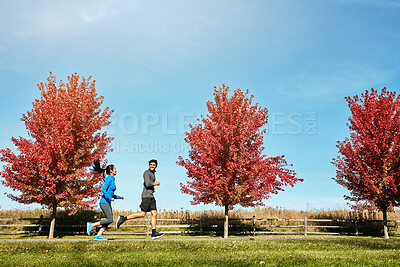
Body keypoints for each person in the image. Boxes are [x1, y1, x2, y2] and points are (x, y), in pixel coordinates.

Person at [116, 159, 164, 239]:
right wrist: (155, 184)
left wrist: (153, 188)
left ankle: (154, 233)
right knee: (142, 214)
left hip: (151, 196)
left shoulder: (153, 174)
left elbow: (149, 185)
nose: (152, 166)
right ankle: (123, 218)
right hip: (146, 196)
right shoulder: (146, 173)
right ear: (149, 165)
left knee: (154, 213)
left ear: (156, 166)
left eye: (154, 165)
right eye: (151, 164)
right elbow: (147, 184)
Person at [87, 159, 124, 240]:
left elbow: (110, 193)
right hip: (104, 202)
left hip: (107, 202)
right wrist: (110, 198)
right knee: (110, 219)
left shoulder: (112, 179)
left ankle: (98, 235)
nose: (116, 170)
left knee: (108, 220)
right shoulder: (109, 178)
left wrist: (118, 197)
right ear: (111, 171)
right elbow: (103, 189)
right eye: (115, 169)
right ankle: (92, 225)